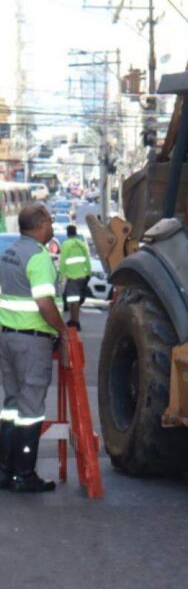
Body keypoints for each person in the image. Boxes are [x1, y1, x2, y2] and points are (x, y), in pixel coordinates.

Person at [0, 204, 69, 492]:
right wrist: (62, 330)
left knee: (12, 405)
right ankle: (24, 474)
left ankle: (4, 470)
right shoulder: (39, 257)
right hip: (31, 341)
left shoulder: (10, 252)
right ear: (40, 224)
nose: (52, 225)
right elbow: (44, 303)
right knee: (30, 409)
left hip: (7, 337)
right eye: (50, 221)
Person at [59, 225, 91, 331]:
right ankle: (73, 320)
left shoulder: (66, 244)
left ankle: (75, 322)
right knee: (73, 299)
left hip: (73, 276)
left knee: (73, 300)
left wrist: (61, 275)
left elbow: (63, 261)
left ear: (68, 233)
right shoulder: (81, 244)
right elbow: (87, 260)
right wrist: (88, 274)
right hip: (82, 276)